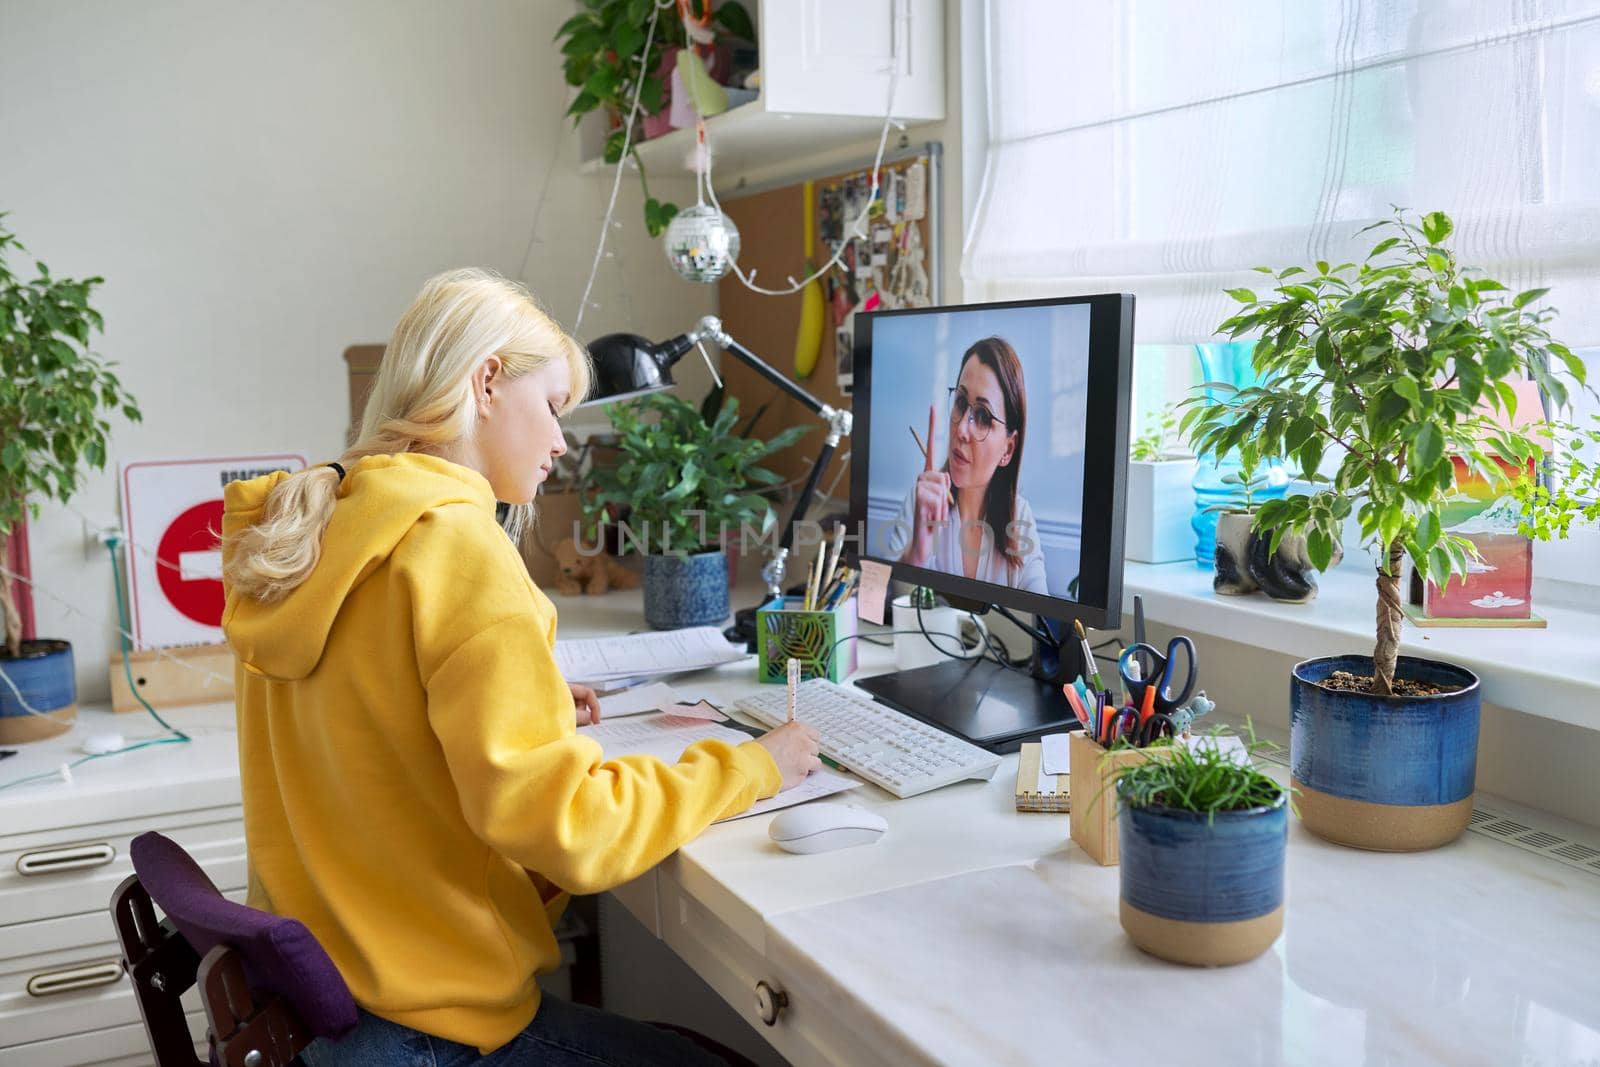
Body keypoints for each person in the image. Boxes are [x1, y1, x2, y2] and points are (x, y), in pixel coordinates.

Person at [220, 269, 821, 1065]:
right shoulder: (460, 548)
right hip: (438, 1026)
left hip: (332, 1018)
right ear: (487, 381)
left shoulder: (315, 522)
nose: (563, 441)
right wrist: (752, 765)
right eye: (552, 407)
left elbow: (366, 731)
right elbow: (569, 830)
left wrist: (521, 706)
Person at [889, 336, 1048, 594]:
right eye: (961, 402)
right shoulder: (920, 503)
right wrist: (916, 554)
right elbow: (882, 613)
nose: (962, 428)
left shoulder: (1019, 519)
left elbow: (1040, 620)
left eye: (983, 417)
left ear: (1007, 449)